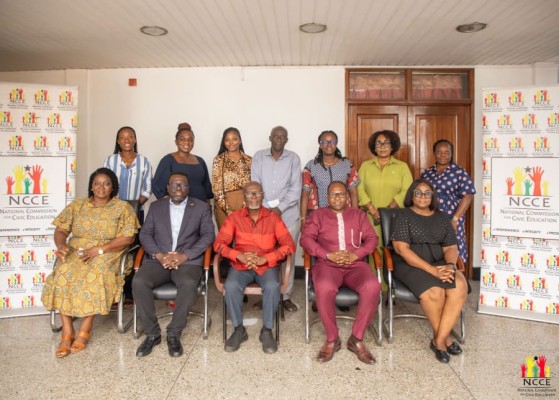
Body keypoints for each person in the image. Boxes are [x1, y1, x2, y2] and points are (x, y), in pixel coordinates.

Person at [41, 168, 140, 358]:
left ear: (113, 187)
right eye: (97, 183)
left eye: (106, 184)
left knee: (95, 273)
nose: (101, 187)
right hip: (77, 250)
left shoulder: (122, 208)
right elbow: (61, 230)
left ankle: (86, 327)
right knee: (63, 272)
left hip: (109, 252)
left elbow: (128, 238)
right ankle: (67, 330)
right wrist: (61, 245)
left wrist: (99, 249)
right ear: (91, 187)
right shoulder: (77, 205)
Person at [133, 172, 215, 358]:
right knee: (139, 282)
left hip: (187, 261)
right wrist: (159, 255)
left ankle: (174, 333)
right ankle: (152, 334)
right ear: (168, 187)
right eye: (175, 184)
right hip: (159, 259)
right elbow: (145, 234)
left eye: (183, 185)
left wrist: (185, 255)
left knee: (188, 284)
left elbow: (208, 235)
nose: (179, 188)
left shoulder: (200, 207)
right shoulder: (156, 206)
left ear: (188, 188)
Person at [300, 181, 381, 364]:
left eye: (341, 194)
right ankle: (332, 338)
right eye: (333, 194)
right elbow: (305, 239)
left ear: (347, 197)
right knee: (324, 287)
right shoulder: (317, 215)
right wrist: (328, 255)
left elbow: (372, 239)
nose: (337, 198)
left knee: (372, 286)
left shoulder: (359, 215)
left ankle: (356, 339)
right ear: (327, 197)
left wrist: (356, 255)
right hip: (327, 264)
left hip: (355, 265)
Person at [390, 179, 468, 363]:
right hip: (410, 263)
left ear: (433, 196)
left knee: (460, 285)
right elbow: (402, 250)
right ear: (411, 196)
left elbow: (450, 247)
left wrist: (450, 266)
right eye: (418, 193)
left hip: (440, 261)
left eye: (427, 193)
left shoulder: (442, 217)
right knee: (434, 292)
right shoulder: (403, 215)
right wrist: (432, 271)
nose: (423, 197)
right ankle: (444, 341)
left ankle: (439, 339)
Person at [214, 181, 296, 354]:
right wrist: (238, 255)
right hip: (241, 265)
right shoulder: (234, 218)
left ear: (263, 196)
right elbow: (219, 244)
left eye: (257, 193)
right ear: (244, 197)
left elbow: (289, 245)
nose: (253, 197)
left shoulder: (273, 218)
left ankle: (266, 330)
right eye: (250, 193)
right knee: (231, 286)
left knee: (272, 286)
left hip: (265, 266)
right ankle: (239, 329)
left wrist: (266, 258)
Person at [251, 125, 301, 312]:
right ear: (270, 137)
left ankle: (285, 296)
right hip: (263, 215)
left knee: (287, 255)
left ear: (286, 140)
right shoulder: (259, 157)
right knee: (264, 253)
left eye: (283, 137)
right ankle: (267, 293)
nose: (279, 139)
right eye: (276, 136)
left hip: (288, 216)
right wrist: (266, 209)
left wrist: (279, 208)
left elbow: (295, 189)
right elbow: (255, 184)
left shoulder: (293, 158)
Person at [420, 139, 476, 265]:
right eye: (439, 152)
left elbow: (468, 196)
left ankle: (456, 273)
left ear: (451, 153)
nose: (443, 155)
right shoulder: (427, 173)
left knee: (453, 245)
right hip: (431, 217)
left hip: (452, 216)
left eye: (447, 152)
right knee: (432, 246)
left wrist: (455, 219)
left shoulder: (459, 171)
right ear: (434, 153)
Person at [357, 129, 413, 250]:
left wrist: (386, 212)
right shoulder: (365, 166)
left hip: (396, 217)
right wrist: (372, 210)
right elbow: (359, 189)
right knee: (373, 250)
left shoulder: (402, 167)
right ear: (374, 147)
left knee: (395, 251)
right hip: (371, 217)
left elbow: (407, 190)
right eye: (379, 143)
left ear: (392, 147)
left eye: (386, 143)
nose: (382, 146)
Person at [300, 130, 360, 225]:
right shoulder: (311, 166)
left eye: (332, 141)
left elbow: (353, 193)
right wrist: (303, 219)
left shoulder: (346, 164)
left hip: (344, 214)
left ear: (336, 144)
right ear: (320, 145)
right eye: (325, 142)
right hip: (319, 215)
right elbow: (305, 194)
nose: (329, 144)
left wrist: (355, 215)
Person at [103, 126, 153, 224]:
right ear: (118, 141)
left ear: (135, 140)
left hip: (136, 210)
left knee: (135, 234)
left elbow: (148, 188)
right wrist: (115, 205)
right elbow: (105, 184)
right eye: (122, 137)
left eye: (130, 137)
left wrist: (135, 206)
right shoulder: (110, 161)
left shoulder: (144, 161)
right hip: (113, 210)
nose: (127, 140)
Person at [152, 123, 213, 202]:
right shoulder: (168, 160)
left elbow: (206, 186)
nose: (186, 142)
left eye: (190, 139)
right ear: (176, 142)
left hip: (200, 205)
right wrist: (170, 204)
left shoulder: (200, 161)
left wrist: (207, 205)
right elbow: (157, 186)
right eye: (182, 139)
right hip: (179, 206)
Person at [212, 127, 252, 229]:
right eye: (227, 140)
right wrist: (228, 211)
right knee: (226, 236)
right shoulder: (218, 160)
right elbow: (216, 188)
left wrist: (244, 207)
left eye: (234, 139)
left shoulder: (249, 160)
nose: (231, 143)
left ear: (240, 140)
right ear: (223, 142)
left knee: (243, 235)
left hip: (245, 203)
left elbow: (252, 185)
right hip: (223, 204)